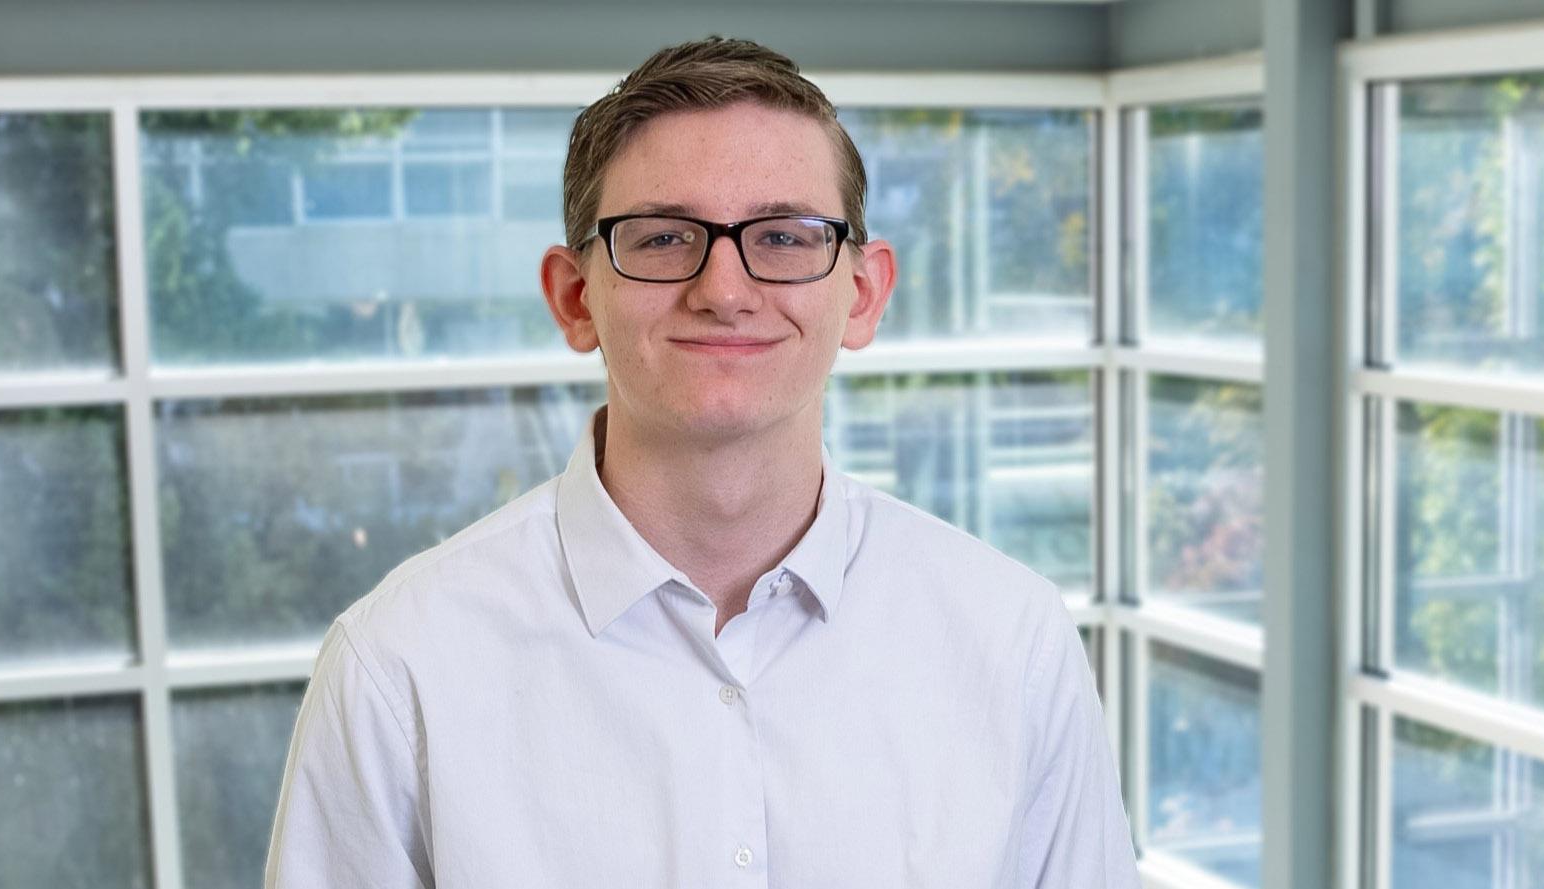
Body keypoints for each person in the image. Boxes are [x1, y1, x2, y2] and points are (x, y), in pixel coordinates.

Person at [263, 36, 1137, 889]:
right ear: (577, 298)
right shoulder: (399, 669)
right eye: (661, 238)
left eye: (786, 237)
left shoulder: (1012, 642)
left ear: (863, 294)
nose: (722, 290)